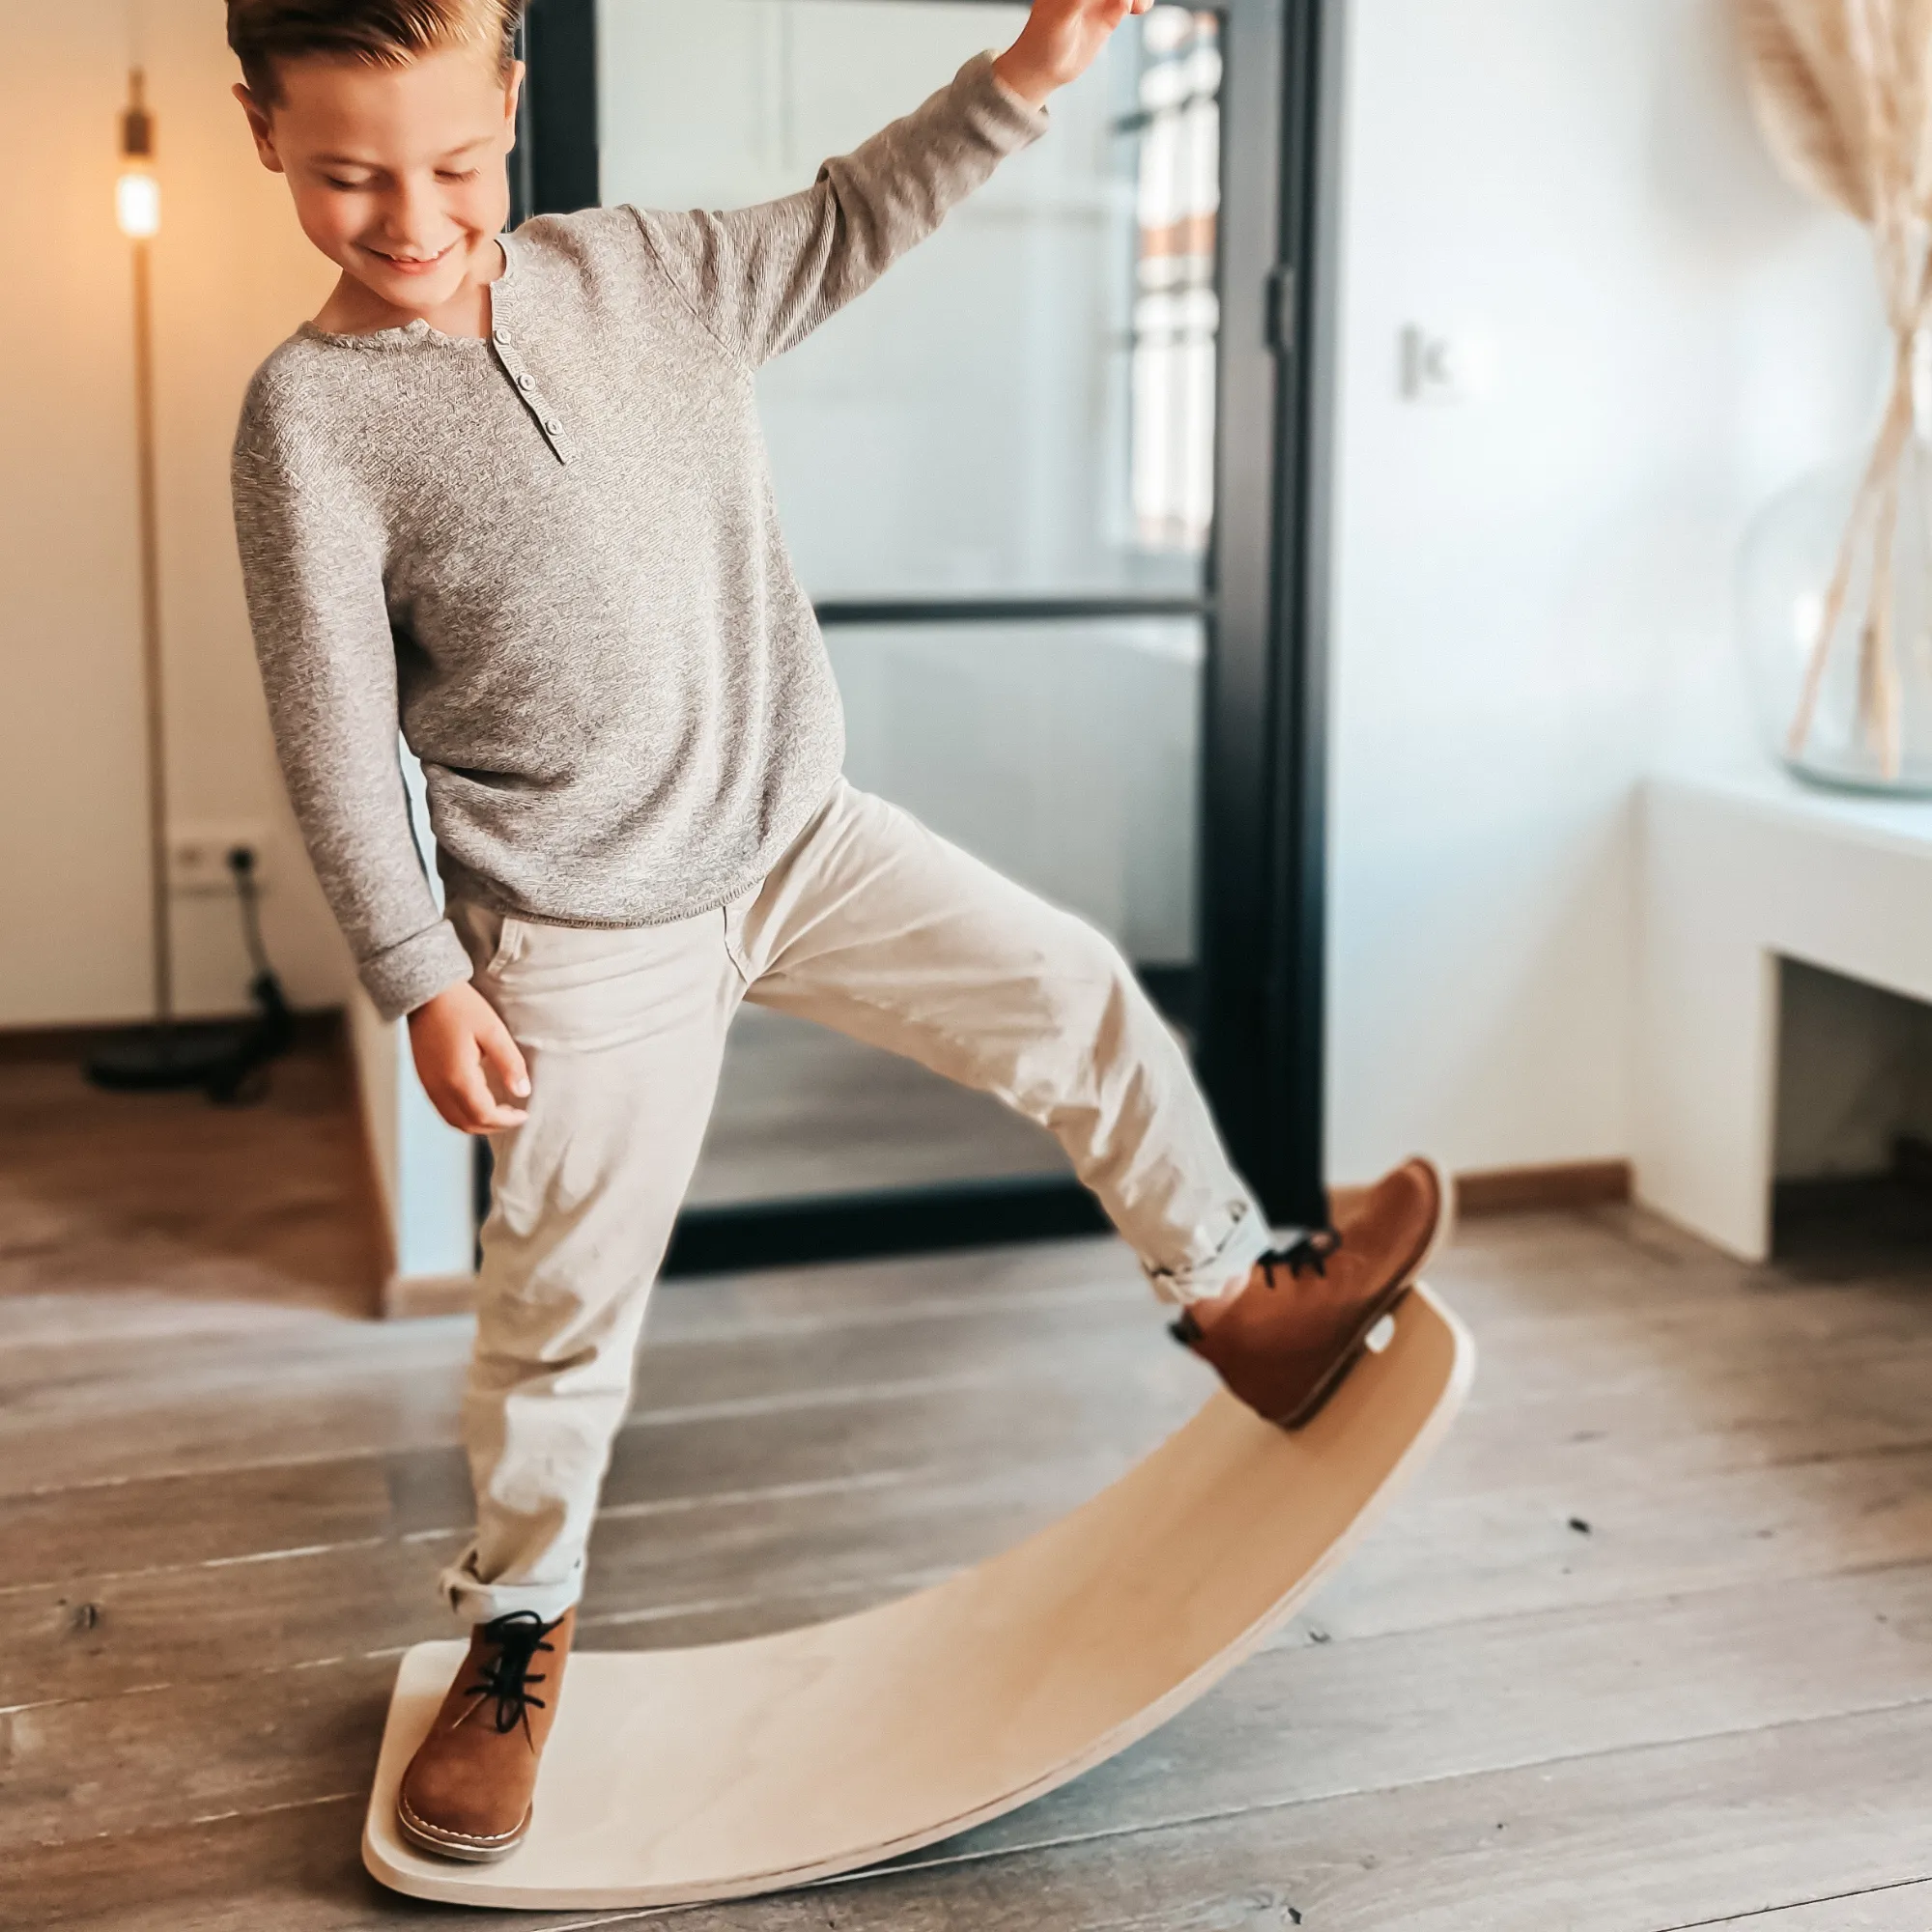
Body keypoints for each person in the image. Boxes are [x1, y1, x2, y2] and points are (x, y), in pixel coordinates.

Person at [225, 0, 1447, 1864]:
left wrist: (1025, 75)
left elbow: (857, 213)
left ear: (512, 113)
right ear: (264, 139)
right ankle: (518, 1637)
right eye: (347, 176)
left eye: (454, 167)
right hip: (573, 929)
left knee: (1075, 994)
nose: (410, 217)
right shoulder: (307, 420)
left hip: (800, 835)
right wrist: (420, 971)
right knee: (560, 1318)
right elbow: (326, 725)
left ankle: (1236, 1300)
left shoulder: (643, 274)